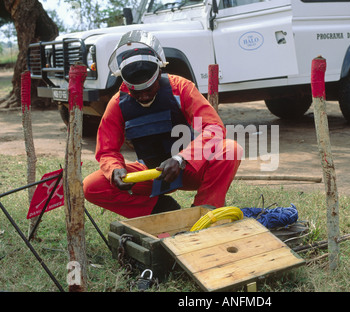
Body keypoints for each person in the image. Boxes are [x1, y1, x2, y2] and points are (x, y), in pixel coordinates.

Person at [83, 30, 243, 218]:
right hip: (150, 172)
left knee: (230, 149)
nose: (143, 96)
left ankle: (204, 212)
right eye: (137, 92)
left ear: (159, 74)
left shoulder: (181, 88)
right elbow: (106, 151)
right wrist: (114, 170)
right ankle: (160, 209)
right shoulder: (118, 103)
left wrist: (180, 159)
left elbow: (214, 128)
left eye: (149, 89)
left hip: (188, 168)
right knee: (92, 186)